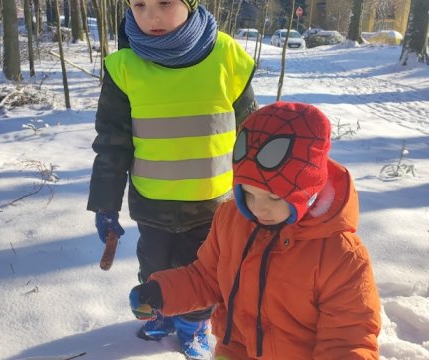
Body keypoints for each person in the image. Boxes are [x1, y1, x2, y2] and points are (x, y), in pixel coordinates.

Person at [129, 102, 381, 359]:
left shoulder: (340, 255)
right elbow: (207, 277)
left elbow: (348, 340)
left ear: (307, 189)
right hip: (234, 351)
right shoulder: (231, 219)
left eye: (273, 197)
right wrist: (162, 291)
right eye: (247, 193)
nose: (259, 209)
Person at [87, 0, 257, 357]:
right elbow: (112, 145)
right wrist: (105, 204)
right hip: (152, 205)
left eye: (165, 3)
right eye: (140, 5)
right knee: (154, 266)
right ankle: (161, 314)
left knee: (203, 273)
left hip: (214, 206)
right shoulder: (124, 68)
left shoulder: (227, 58)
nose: (152, 16)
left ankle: (193, 326)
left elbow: (251, 138)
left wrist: (259, 197)